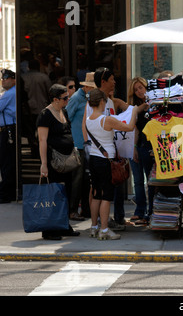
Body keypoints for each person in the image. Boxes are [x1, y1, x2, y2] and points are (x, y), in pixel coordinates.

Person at [85, 88, 138, 240]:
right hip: (106, 160)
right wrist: (133, 111)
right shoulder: (106, 119)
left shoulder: (89, 120)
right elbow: (129, 127)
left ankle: (94, 227)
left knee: (96, 194)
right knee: (106, 196)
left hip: (94, 159)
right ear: (102, 101)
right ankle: (104, 229)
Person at [82, 67, 129, 230]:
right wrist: (89, 146)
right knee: (102, 193)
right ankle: (102, 226)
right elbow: (85, 125)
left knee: (98, 192)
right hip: (100, 154)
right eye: (112, 79)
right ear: (103, 81)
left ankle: (98, 224)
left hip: (105, 151)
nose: (115, 82)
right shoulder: (95, 101)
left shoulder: (110, 100)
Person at [36, 84, 80, 240]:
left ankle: (63, 225)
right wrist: (44, 164)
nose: (68, 100)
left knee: (65, 193)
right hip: (53, 161)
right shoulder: (45, 115)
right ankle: (50, 229)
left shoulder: (64, 112)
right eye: (65, 98)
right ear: (55, 99)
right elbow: (42, 140)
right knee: (53, 195)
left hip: (66, 161)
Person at [66, 72, 95, 221]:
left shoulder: (90, 99)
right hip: (78, 144)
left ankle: (85, 209)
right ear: (86, 87)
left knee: (85, 179)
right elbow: (66, 118)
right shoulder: (77, 98)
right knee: (77, 179)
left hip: (87, 144)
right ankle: (72, 210)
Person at [127, 77, 153, 224]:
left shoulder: (154, 104)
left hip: (148, 146)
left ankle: (149, 212)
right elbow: (135, 129)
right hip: (137, 145)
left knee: (150, 181)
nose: (139, 91)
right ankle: (140, 210)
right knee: (137, 180)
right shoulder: (133, 107)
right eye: (136, 90)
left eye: (140, 88)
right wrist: (134, 148)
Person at [22, 59, 52, 157]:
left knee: (30, 131)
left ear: (28, 67)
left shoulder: (23, 78)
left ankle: (33, 149)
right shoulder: (44, 77)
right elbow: (50, 93)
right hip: (42, 107)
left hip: (28, 109)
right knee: (42, 131)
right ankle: (40, 149)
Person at [0, 69, 17, 203]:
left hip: (7, 131)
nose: (3, 80)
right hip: (9, 129)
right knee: (8, 161)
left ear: (13, 79)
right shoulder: (10, 92)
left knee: (6, 162)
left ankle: (6, 193)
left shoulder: (9, 94)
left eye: (6, 77)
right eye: (2, 77)